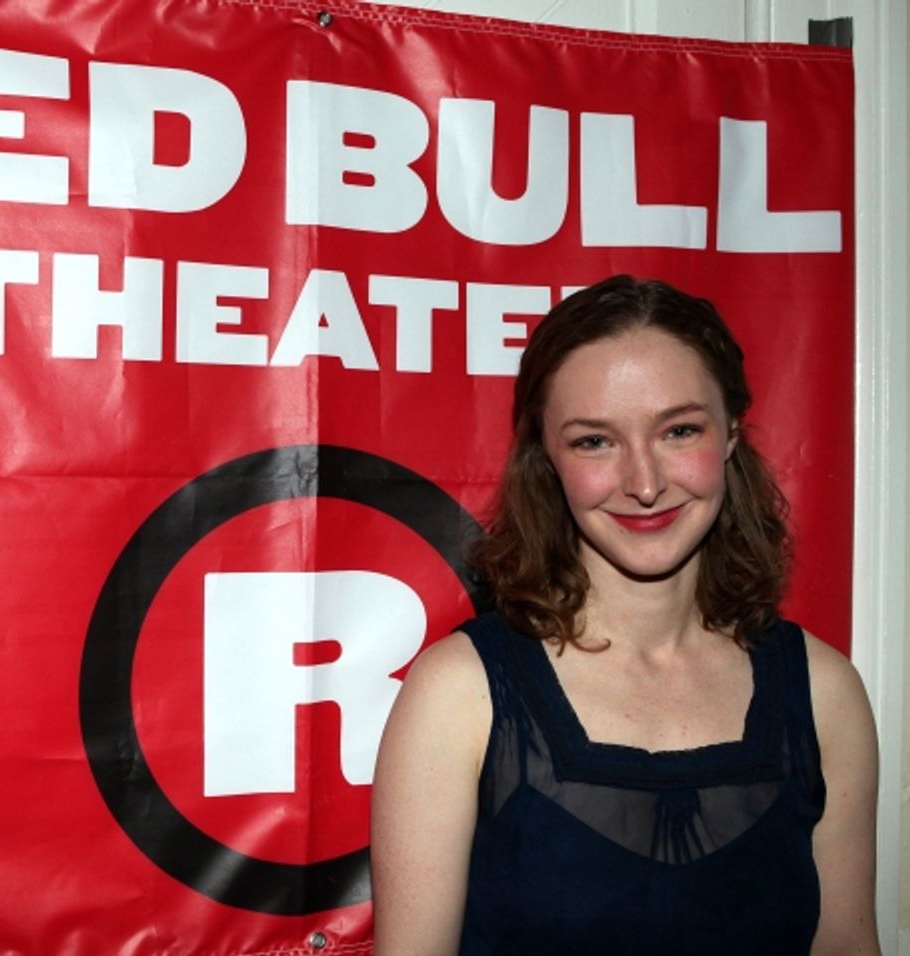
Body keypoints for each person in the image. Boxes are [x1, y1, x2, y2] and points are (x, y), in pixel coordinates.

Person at [370, 276, 879, 955]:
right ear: (547, 459)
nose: (644, 483)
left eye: (679, 430)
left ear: (730, 433)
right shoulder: (457, 695)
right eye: (594, 442)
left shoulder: (825, 692)